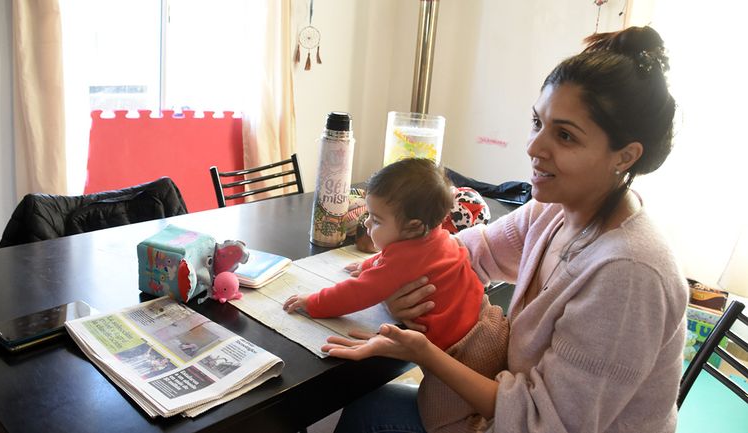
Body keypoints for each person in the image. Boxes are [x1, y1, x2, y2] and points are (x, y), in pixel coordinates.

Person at [322, 26, 688, 433]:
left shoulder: (629, 274)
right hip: (501, 408)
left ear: (625, 156)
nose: (533, 147)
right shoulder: (555, 212)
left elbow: (542, 424)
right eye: (538, 122)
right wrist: (397, 280)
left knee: (368, 414)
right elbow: (465, 252)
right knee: (366, 407)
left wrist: (425, 352)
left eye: (564, 135)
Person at [284, 157, 509, 432]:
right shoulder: (440, 237)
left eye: (376, 220)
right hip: (492, 326)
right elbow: (390, 262)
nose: (367, 224)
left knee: (441, 417)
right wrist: (369, 265)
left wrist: (313, 302)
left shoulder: (406, 258)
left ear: (413, 227)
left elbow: (356, 294)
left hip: (464, 353)